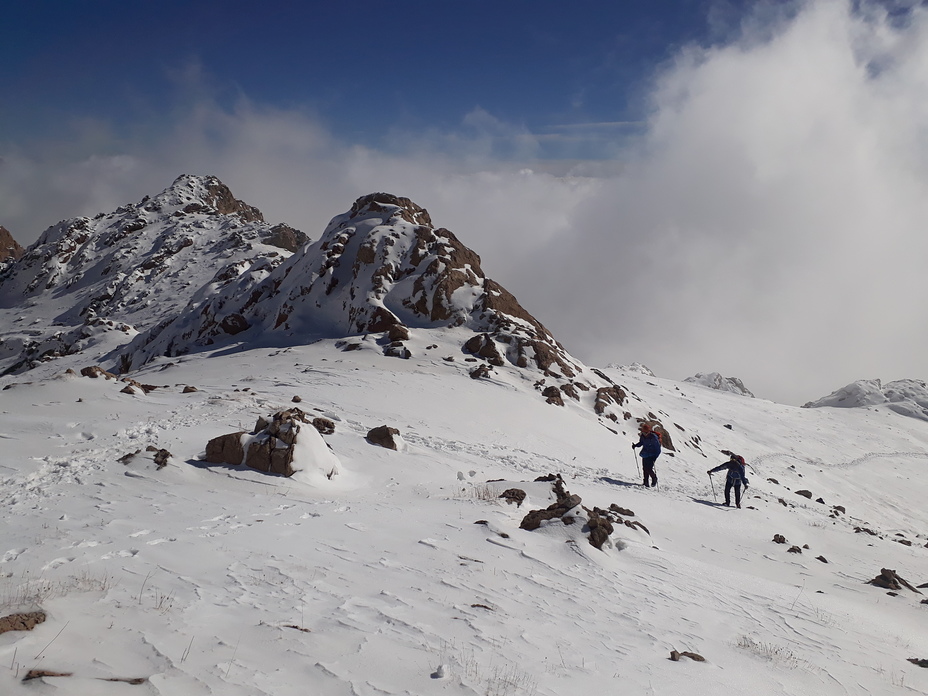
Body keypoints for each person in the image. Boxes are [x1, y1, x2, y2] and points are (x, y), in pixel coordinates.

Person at [631, 422, 661, 487]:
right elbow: (641, 443)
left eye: (646, 432)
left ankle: (654, 478)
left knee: (648, 468)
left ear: (649, 431)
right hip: (645, 453)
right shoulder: (642, 436)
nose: (645, 434)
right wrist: (635, 445)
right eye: (644, 432)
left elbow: (657, 448)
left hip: (653, 454)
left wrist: (654, 456)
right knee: (645, 468)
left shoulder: (653, 437)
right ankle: (645, 482)